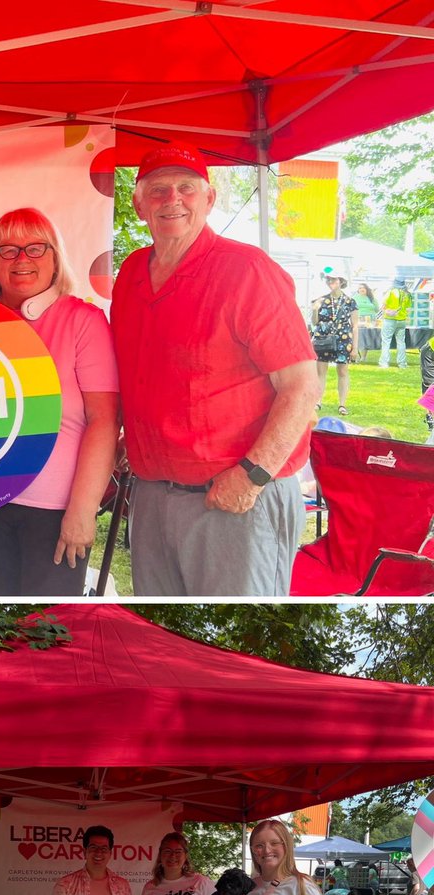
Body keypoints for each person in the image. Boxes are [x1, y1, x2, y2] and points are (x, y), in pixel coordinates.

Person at [111, 142, 319, 596]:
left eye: (187, 188)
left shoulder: (247, 271)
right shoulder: (129, 274)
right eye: (159, 190)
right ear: (138, 202)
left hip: (234, 498)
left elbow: (302, 386)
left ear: (209, 199)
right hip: (151, 496)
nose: (173, 200)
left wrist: (253, 475)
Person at [0, 209, 119, 594]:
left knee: (48, 632)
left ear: (55, 257)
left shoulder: (83, 320)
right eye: (8, 250)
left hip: (55, 512)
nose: (22, 260)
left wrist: (82, 511)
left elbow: (104, 421)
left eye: (34, 248)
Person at [310, 275, 358, 416]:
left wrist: (355, 347)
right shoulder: (321, 300)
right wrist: (314, 310)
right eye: (329, 280)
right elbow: (314, 322)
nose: (331, 283)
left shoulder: (350, 301)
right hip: (323, 337)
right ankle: (317, 401)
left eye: (334, 280)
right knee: (321, 371)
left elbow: (355, 325)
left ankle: (342, 404)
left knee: (342, 371)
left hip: (343, 338)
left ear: (341, 282)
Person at [377, 276, 412, 368]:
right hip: (402, 320)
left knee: (386, 341)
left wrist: (389, 311)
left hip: (390, 319)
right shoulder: (407, 294)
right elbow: (408, 309)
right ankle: (402, 363)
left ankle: (384, 363)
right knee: (401, 342)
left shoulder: (390, 292)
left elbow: (383, 306)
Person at [353, 283, 376, 357]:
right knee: (358, 337)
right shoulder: (354, 298)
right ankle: (355, 355)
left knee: (366, 337)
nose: (362, 289)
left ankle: (363, 357)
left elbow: (377, 309)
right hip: (359, 319)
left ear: (367, 289)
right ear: (358, 290)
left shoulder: (371, 298)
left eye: (363, 288)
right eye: (360, 288)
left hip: (370, 320)